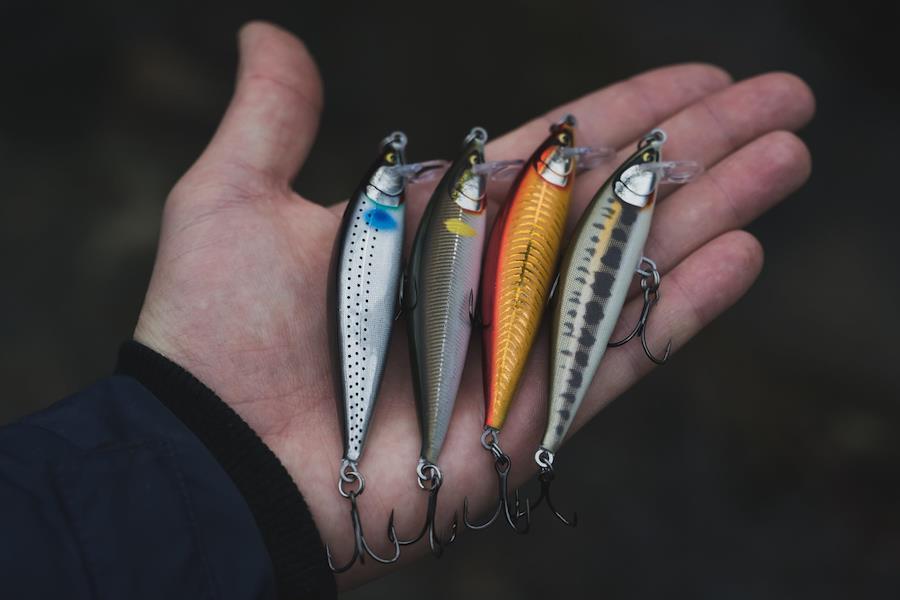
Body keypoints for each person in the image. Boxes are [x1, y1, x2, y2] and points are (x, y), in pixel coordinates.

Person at [0, 20, 814, 600]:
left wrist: (208, 462)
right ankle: (467, 441)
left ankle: (501, 434)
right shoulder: (432, 204)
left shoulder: (522, 195)